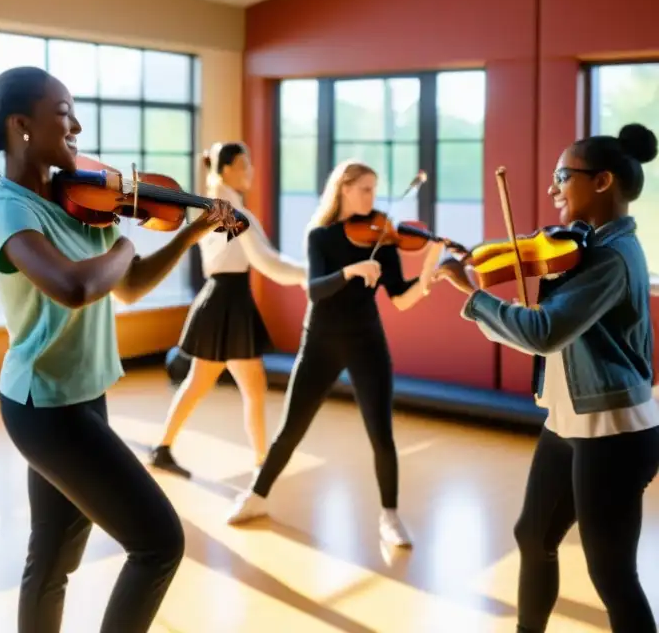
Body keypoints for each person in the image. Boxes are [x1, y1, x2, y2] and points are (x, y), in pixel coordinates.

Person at [0, 66, 231, 633]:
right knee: (159, 544)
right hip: (42, 407)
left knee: (53, 561)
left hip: (84, 395)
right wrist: (127, 242)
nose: (77, 125)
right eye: (64, 114)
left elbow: (126, 285)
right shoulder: (9, 211)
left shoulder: (86, 200)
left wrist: (188, 233)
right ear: (21, 126)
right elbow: (77, 287)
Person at [434, 123, 659, 633]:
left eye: (563, 176)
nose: (553, 188)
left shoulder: (611, 258)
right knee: (533, 538)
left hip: (615, 432)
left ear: (602, 182)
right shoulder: (585, 247)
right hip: (568, 420)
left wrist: (469, 292)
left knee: (611, 573)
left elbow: (544, 331)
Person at [225, 160, 443, 547]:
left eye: (375, 190)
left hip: (366, 342)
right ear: (343, 188)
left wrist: (428, 269)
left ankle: (390, 517)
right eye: (365, 190)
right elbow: (315, 289)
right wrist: (352, 270)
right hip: (321, 341)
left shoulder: (385, 239)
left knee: (381, 434)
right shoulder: (321, 236)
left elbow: (401, 299)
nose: (373, 199)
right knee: (291, 429)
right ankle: (255, 496)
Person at [149, 141, 306, 477]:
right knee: (216, 385)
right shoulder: (225, 209)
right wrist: (308, 275)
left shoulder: (226, 205)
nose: (250, 171)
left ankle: (259, 459)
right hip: (224, 299)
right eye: (244, 165)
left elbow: (265, 256)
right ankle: (261, 461)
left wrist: (304, 275)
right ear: (228, 169)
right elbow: (266, 260)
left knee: (240, 385)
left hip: (228, 298)